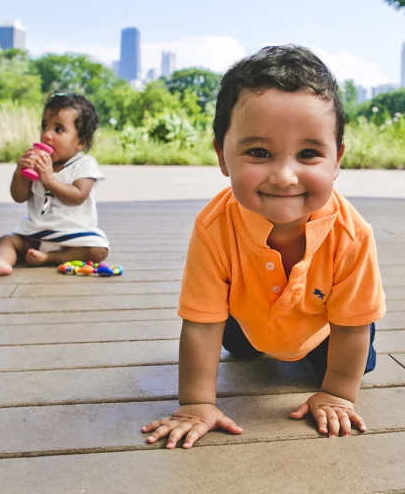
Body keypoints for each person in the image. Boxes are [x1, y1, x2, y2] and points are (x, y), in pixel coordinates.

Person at [142, 45, 385, 449]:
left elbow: (353, 325)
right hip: (246, 315)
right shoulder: (214, 227)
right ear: (222, 155)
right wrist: (196, 403)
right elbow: (202, 324)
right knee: (236, 344)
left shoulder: (352, 234)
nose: (285, 176)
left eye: (309, 154)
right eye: (259, 152)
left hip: (327, 326)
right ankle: (254, 336)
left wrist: (338, 393)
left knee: (360, 362)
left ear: (337, 159)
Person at [0, 93, 109, 278]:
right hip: (36, 233)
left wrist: (50, 180)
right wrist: (20, 172)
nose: (47, 135)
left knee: (99, 250)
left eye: (59, 129)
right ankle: (1, 262)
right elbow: (19, 196)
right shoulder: (38, 163)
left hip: (72, 235)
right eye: (44, 126)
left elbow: (78, 196)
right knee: (6, 241)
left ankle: (50, 257)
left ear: (80, 142)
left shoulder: (84, 164)